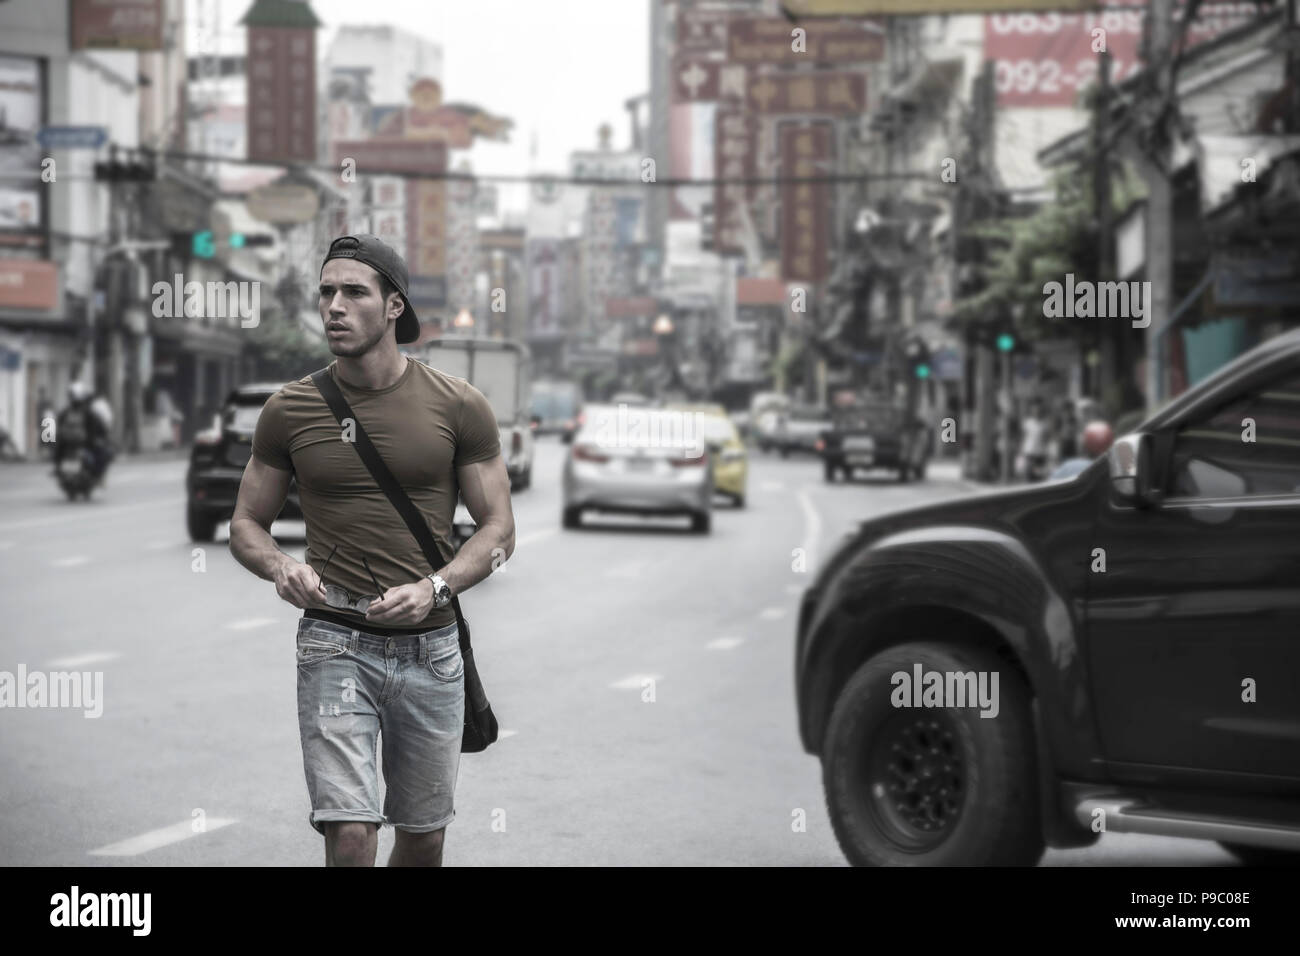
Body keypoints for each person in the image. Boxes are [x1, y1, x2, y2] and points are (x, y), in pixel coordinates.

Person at [229, 234, 515, 867]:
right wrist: (281, 565)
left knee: (422, 837)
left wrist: (435, 588)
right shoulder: (289, 408)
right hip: (335, 640)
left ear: (394, 307)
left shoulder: (460, 405)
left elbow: (499, 530)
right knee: (352, 832)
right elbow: (246, 523)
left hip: (432, 648)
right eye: (327, 291)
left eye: (354, 292)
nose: (335, 305)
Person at [55, 381, 113, 477]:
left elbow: (57, 427)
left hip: (69, 444)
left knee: (103, 452)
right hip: (84, 443)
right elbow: (100, 428)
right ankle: (97, 476)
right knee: (104, 452)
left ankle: (95, 475)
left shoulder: (65, 413)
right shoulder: (88, 413)